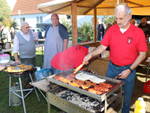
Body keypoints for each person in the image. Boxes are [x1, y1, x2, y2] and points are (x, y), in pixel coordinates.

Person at [83, 4, 147, 113]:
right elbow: (102, 47)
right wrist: (90, 54)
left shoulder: (138, 32)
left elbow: (143, 54)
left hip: (129, 70)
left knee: (127, 99)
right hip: (112, 68)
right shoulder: (111, 30)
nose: (118, 21)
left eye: (121, 18)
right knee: (105, 93)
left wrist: (130, 70)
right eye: (116, 18)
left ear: (129, 16)